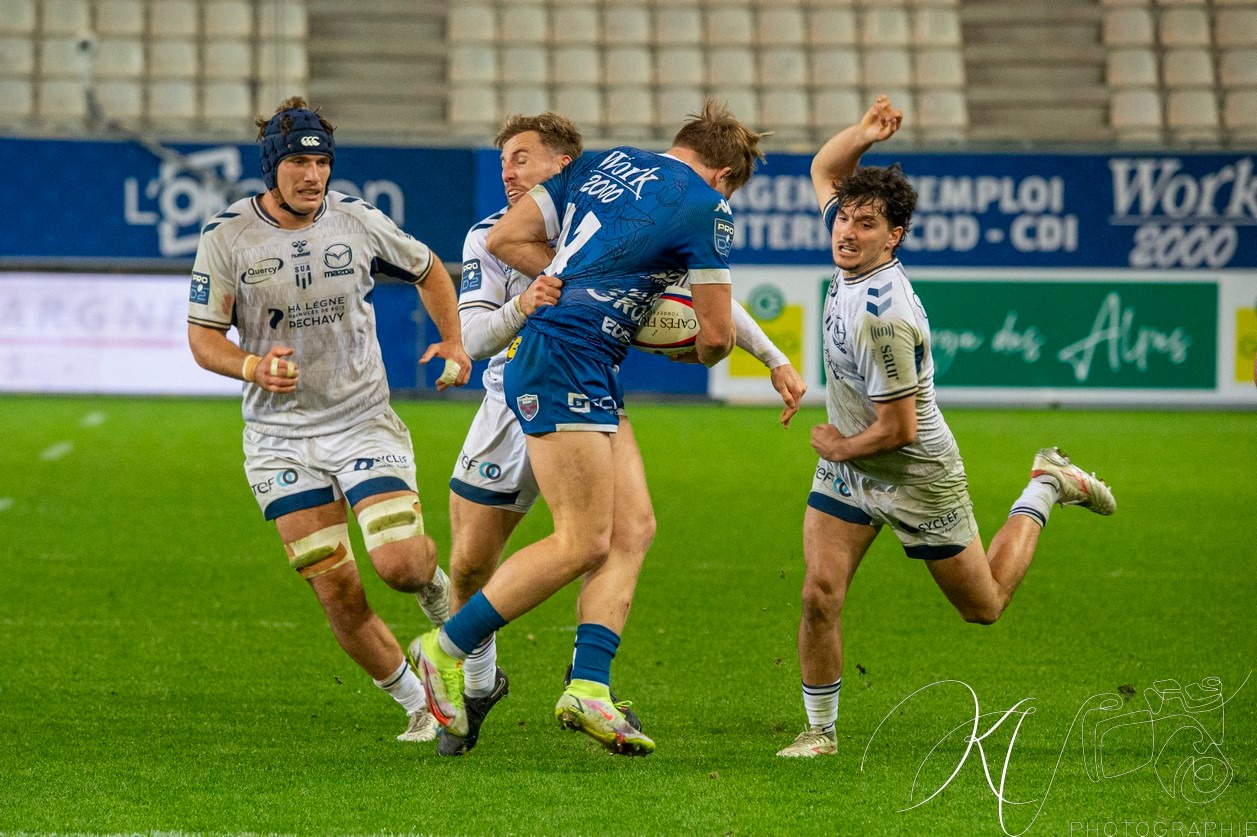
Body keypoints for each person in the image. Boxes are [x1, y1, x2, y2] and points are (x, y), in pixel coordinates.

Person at [416, 98, 776, 756]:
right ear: (724, 175)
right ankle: (444, 648)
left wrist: (583, 287)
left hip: (572, 357)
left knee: (632, 528)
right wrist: (677, 340)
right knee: (581, 540)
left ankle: (587, 684)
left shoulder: (605, 164)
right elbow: (716, 336)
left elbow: (507, 240)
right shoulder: (706, 205)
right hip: (565, 360)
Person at [776, 97, 1117, 758]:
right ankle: (820, 730)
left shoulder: (883, 314)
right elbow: (823, 167)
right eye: (843, 217)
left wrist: (839, 444)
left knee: (982, 605)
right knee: (818, 594)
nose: (844, 231)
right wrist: (863, 137)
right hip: (852, 465)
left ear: (892, 235)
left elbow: (898, 428)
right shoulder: (850, 253)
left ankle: (1044, 487)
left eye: (863, 222)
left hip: (911, 470)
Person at [187, 97, 472, 744]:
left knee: (398, 565)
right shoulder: (226, 237)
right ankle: (417, 701)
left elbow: (429, 268)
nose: (312, 174)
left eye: (320, 161)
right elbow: (203, 340)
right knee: (336, 587)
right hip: (279, 439)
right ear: (272, 168)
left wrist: (453, 340)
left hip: (361, 419)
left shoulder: (355, 220)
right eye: (297, 162)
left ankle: (434, 585)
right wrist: (253, 367)